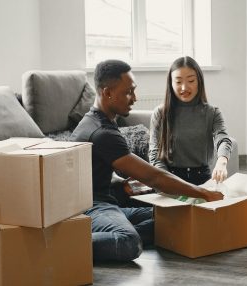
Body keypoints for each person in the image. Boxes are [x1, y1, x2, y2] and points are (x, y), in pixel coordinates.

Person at [70, 59, 223, 262]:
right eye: (128, 92)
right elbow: (154, 176)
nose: (134, 98)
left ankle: (114, 231)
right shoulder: (102, 132)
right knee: (128, 242)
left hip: (107, 202)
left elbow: (95, 168)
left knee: (174, 219)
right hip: (92, 206)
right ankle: (63, 243)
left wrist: (120, 183)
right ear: (107, 93)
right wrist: (203, 193)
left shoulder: (98, 121)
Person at [149, 56, 233, 186]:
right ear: (170, 84)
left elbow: (223, 139)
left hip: (203, 179)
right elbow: (155, 155)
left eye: (191, 80)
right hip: (169, 178)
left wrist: (222, 162)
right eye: (178, 82)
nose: (184, 87)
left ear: (199, 81)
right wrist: (167, 183)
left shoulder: (212, 112)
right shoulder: (160, 113)